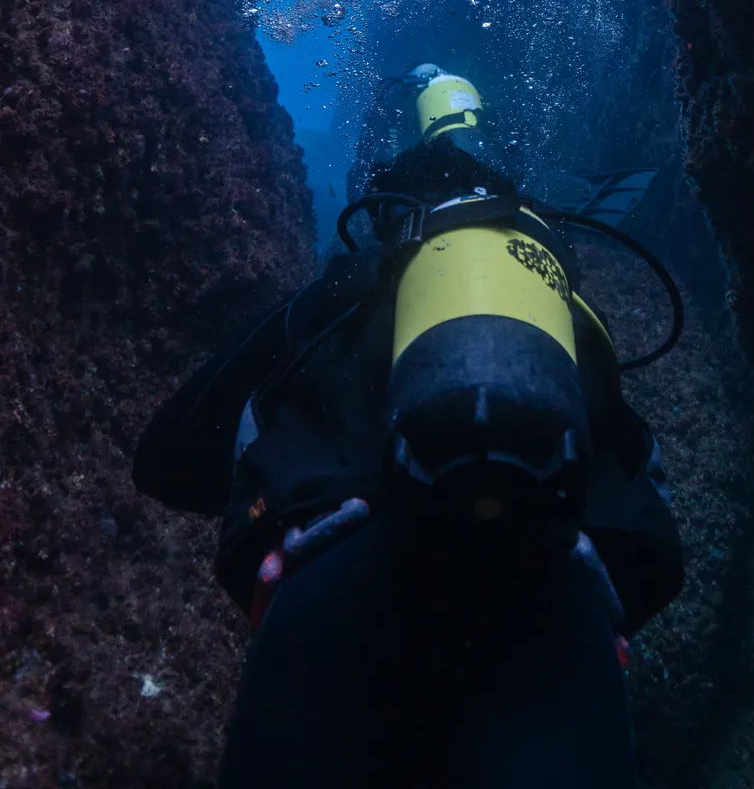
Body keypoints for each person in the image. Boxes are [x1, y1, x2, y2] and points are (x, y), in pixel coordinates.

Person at [134, 68, 683, 789]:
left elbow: (166, 459)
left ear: (394, 216)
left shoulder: (356, 283)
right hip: (555, 608)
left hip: (335, 568)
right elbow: (649, 517)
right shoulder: (573, 322)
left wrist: (270, 497)